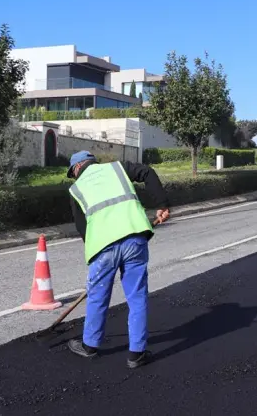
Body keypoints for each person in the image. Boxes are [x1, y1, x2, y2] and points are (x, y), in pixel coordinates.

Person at [65, 151, 171, 368]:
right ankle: (136, 355)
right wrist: (162, 204)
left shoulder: (75, 189)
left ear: (76, 169)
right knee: (137, 295)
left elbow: (82, 228)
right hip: (134, 237)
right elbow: (147, 172)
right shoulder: (117, 167)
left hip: (103, 248)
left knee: (97, 296)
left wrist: (97, 253)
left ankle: (90, 346)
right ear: (92, 162)